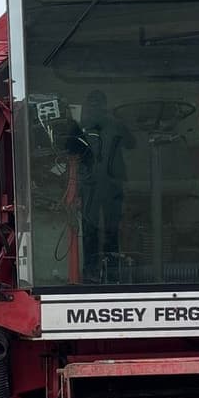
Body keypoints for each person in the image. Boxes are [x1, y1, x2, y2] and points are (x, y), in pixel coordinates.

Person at [79, 90, 135, 281]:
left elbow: (132, 143)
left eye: (98, 104)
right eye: (92, 104)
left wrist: (116, 120)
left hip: (112, 183)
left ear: (105, 105)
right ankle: (91, 271)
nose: (96, 108)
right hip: (89, 185)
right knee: (89, 227)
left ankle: (113, 270)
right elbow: (68, 150)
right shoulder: (81, 127)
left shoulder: (116, 124)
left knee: (113, 227)